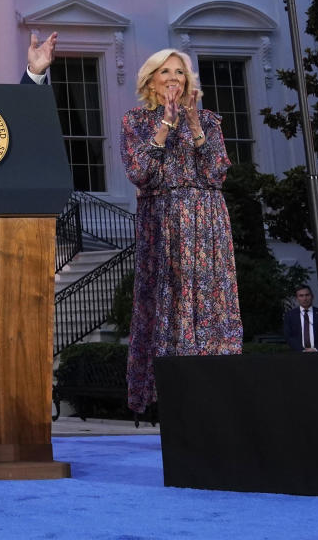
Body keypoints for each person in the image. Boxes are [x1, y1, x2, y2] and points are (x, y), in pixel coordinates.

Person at [120, 48, 243, 414]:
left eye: (180, 71)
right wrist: (165, 127)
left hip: (206, 221)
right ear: (150, 80)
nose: (174, 77)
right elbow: (139, 173)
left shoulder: (208, 120)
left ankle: (215, 390)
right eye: (165, 72)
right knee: (169, 298)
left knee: (208, 300)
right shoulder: (136, 121)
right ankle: (169, 393)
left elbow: (218, 173)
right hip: (163, 219)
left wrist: (193, 127)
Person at [283, 285, 318, 352]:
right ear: (297, 298)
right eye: (301, 296)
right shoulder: (290, 315)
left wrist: (316, 349)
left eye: (307, 295)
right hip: (298, 355)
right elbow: (288, 336)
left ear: (312, 296)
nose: (305, 298)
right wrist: (302, 350)